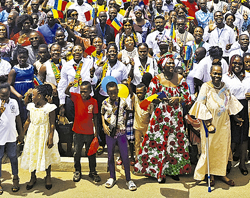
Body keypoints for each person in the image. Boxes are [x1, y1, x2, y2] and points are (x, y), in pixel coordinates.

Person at [134, 53, 193, 182]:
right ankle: (158, 171)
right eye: (169, 63)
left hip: (175, 118)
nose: (171, 65)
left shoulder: (180, 79)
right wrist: (158, 98)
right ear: (162, 65)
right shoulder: (156, 79)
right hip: (160, 117)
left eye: (173, 63)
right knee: (159, 144)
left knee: (175, 144)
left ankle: (174, 170)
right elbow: (149, 97)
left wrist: (178, 98)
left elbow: (188, 98)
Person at [190, 63, 242, 187]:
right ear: (210, 74)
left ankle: (222, 173)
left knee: (223, 148)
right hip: (210, 124)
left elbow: (229, 103)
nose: (217, 76)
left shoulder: (225, 86)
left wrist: (236, 117)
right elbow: (200, 104)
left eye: (219, 73)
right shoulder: (205, 86)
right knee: (210, 149)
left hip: (224, 123)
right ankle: (210, 174)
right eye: (215, 73)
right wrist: (208, 123)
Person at [21, 84, 60, 190]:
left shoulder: (49, 108)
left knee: (46, 155)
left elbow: (52, 124)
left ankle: (48, 176)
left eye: (33, 95)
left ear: (41, 96)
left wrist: (50, 137)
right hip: (33, 135)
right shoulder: (31, 107)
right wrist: (22, 133)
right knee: (32, 155)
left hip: (44, 134)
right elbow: (28, 121)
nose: (32, 97)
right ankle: (33, 177)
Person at [101, 81, 137, 191]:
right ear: (107, 92)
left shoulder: (123, 102)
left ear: (117, 91)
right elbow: (102, 114)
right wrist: (103, 124)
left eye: (115, 92)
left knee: (125, 156)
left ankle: (128, 179)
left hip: (121, 133)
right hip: (110, 134)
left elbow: (129, 111)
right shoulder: (104, 103)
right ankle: (112, 177)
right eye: (111, 93)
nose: (113, 95)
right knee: (110, 155)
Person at [0, 83, 24, 195]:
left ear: (9, 93)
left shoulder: (14, 102)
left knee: (13, 157)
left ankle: (15, 178)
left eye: (6, 95)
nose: (4, 97)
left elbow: (18, 118)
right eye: (2, 95)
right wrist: (0, 112)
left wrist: (21, 133)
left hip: (11, 135)